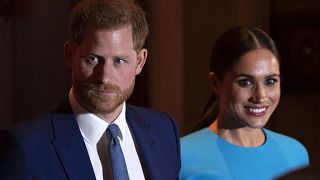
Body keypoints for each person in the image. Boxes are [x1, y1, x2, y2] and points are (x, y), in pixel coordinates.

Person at [0, 0, 181, 179]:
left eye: (119, 61)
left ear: (140, 62)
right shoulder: (25, 148)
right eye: (93, 59)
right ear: (70, 55)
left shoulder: (164, 130)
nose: (105, 77)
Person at [179, 27, 309, 180]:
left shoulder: (295, 153)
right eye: (245, 82)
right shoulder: (181, 156)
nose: (260, 96)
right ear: (215, 83)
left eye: (270, 81)